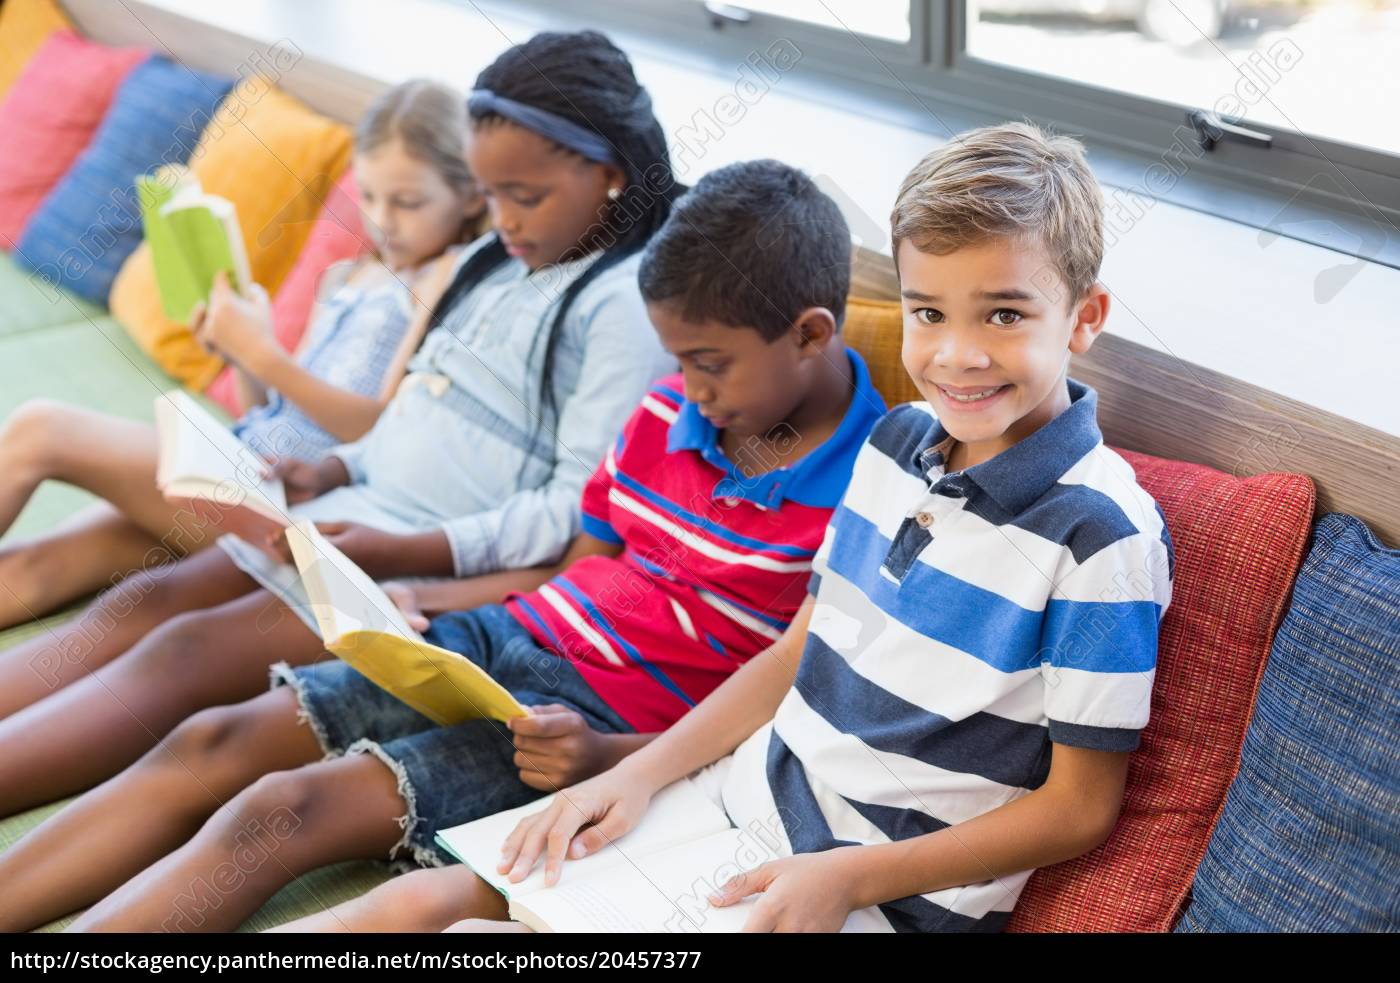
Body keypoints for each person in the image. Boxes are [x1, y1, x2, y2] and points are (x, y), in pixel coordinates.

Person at [313, 121, 1174, 934]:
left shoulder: (1102, 536)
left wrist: (849, 878)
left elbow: (1080, 807)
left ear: (1085, 317)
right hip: (739, 798)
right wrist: (639, 773)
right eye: (929, 312)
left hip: (872, 892)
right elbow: (801, 647)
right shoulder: (896, 442)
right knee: (431, 904)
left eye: (1006, 314)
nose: (958, 354)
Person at [5, 159, 886, 934]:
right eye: (677, 361)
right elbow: (577, 567)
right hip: (496, 643)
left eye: (710, 363)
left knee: (280, 809)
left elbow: (785, 707)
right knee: (210, 740)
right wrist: (435, 606)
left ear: (811, 332)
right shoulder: (671, 414)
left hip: (597, 728)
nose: (688, 389)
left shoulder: (874, 491)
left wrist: (608, 762)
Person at [0, 31, 676, 820]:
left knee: (180, 664)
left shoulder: (623, 306)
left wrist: (408, 557)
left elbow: (573, 512)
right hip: (345, 523)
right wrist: (334, 468)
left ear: (611, 175)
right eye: (493, 196)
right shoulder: (500, 258)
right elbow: (416, 411)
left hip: (410, 573)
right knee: (150, 605)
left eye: (525, 197)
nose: (505, 221)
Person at [0, 79, 486, 631]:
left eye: (409, 202)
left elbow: (379, 431)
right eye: (370, 197)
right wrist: (243, 355)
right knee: (42, 564)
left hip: (298, 506)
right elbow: (274, 407)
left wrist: (263, 351)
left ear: (471, 194)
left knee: (41, 429)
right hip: (243, 461)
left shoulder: (447, 278)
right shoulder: (347, 276)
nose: (384, 219)